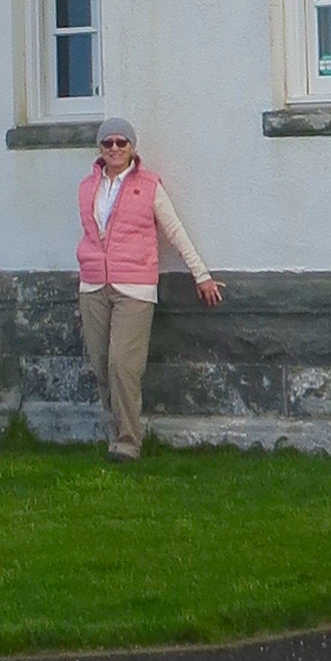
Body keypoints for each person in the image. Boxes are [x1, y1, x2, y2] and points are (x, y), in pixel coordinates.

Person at [74, 111, 219, 461]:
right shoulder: (87, 187)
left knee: (123, 364)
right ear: (100, 147)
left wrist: (200, 274)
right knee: (102, 365)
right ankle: (117, 433)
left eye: (121, 142)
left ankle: (128, 443)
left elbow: (174, 231)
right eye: (107, 142)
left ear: (132, 147)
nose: (114, 147)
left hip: (134, 288)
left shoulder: (149, 185)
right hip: (93, 286)